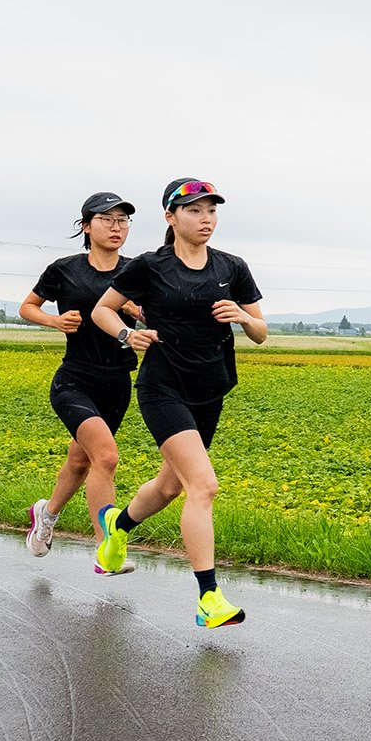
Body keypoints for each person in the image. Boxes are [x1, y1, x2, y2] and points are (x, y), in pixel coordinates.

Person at [89, 179, 267, 628]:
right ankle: (209, 598)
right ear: (170, 217)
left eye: (211, 211)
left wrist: (243, 317)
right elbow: (102, 310)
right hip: (163, 387)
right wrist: (127, 334)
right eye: (194, 211)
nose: (206, 219)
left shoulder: (232, 267)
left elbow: (261, 332)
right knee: (203, 486)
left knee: (170, 487)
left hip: (211, 389)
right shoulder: (151, 266)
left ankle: (118, 527)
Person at [18, 192, 141, 570]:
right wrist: (55, 321)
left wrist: (138, 311)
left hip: (117, 382)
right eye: (106, 219)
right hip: (74, 381)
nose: (116, 227)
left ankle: (46, 515)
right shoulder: (64, 269)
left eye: (122, 220)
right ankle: (107, 549)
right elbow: (27, 307)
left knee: (80, 460)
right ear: (86, 226)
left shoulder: (138, 271)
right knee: (106, 456)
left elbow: (157, 316)